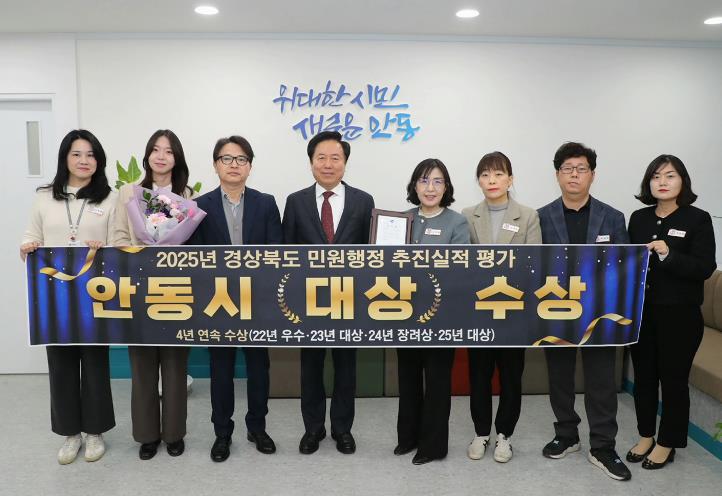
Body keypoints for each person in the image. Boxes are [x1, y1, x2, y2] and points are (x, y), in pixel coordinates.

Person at [20, 129, 116, 464]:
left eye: (91, 155)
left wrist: (105, 247)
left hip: (95, 295)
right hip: (54, 296)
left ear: (98, 160)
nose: (84, 161)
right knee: (60, 364)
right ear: (65, 158)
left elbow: (120, 244)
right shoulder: (45, 197)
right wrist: (28, 247)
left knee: (95, 363)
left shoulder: (110, 198)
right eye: (77, 154)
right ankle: (70, 434)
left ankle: (95, 432)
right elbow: (30, 237)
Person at [537, 142, 632, 481]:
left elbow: (625, 265)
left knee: (602, 380)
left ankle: (603, 445)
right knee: (559, 376)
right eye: (567, 169)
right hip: (556, 308)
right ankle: (566, 434)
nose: (574, 175)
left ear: (592, 175)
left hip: (600, 311)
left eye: (581, 169)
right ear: (557, 175)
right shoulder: (541, 217)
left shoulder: (613, 217)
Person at [187, 136, 283, 462]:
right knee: (221, 368)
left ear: (250, 166)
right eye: (226, 159)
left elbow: (276, 252)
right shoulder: (199, 207)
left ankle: (257, 428)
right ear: (216, 165)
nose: (234, 165)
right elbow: (194, 257)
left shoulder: (266, 203)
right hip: (218, 302)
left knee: (259, 368)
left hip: (257, 301)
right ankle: (222, 433)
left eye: (241, 159)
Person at [282, 131, 375, 455]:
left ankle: (342, 429)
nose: (328, 164)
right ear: (311, 163)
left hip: (349, 299)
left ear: (345, 163)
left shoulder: (364, 201)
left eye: (335, 158)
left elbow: (371, 253)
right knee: (310, 366)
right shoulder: (295, 202)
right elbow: (286, 253)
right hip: (309, 300)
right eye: (321, 157)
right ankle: (313, 429)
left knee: (346, 367)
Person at [626, 155, 716, 469]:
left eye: (670, 175)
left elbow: (705, 268)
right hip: (642, 315)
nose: (662, 182)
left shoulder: (697, 219)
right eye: (656, 176)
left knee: (674, 381)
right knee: (644, 378)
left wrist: (668, 253)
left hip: (680, 316)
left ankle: (668, 442)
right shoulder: (638, 218)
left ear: (682, 181)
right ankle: (646, 435)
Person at [111, 129, 193, 460]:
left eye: (169, 151)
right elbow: (118, 236)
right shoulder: (129, 193)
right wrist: (139, 255)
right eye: (156, 150)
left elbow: (193, 246)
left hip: (176, 290)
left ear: (177, 158)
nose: (161, 156)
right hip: (138, 287)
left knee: (175, 364)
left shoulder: (188, 195)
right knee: (142, 365)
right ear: (147, 156)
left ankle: (174, 434)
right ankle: (147, 436)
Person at [461, 151, 541, 463]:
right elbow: (461, 265)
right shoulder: (468, 215)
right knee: (479, 376)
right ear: (479, 181)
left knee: (511, 377)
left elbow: (534, 264)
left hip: (513, 312)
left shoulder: (528, 216)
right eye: (485, 175)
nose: (491, 180)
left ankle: (505, 435)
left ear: (510, 179)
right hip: (478, 310)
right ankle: (481, 432)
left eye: (498, 174)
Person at [395, 158, 470, 465]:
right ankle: (408, 438)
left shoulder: (457, 222)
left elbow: (460, 268)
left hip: (441, 315)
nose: (430, 188)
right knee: (408, 379)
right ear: (415, 186)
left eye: (438, 181)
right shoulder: (401, 220)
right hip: (404, 314)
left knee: (437, 382)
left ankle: (433, 446)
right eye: (424, 181)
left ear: (446, 187)